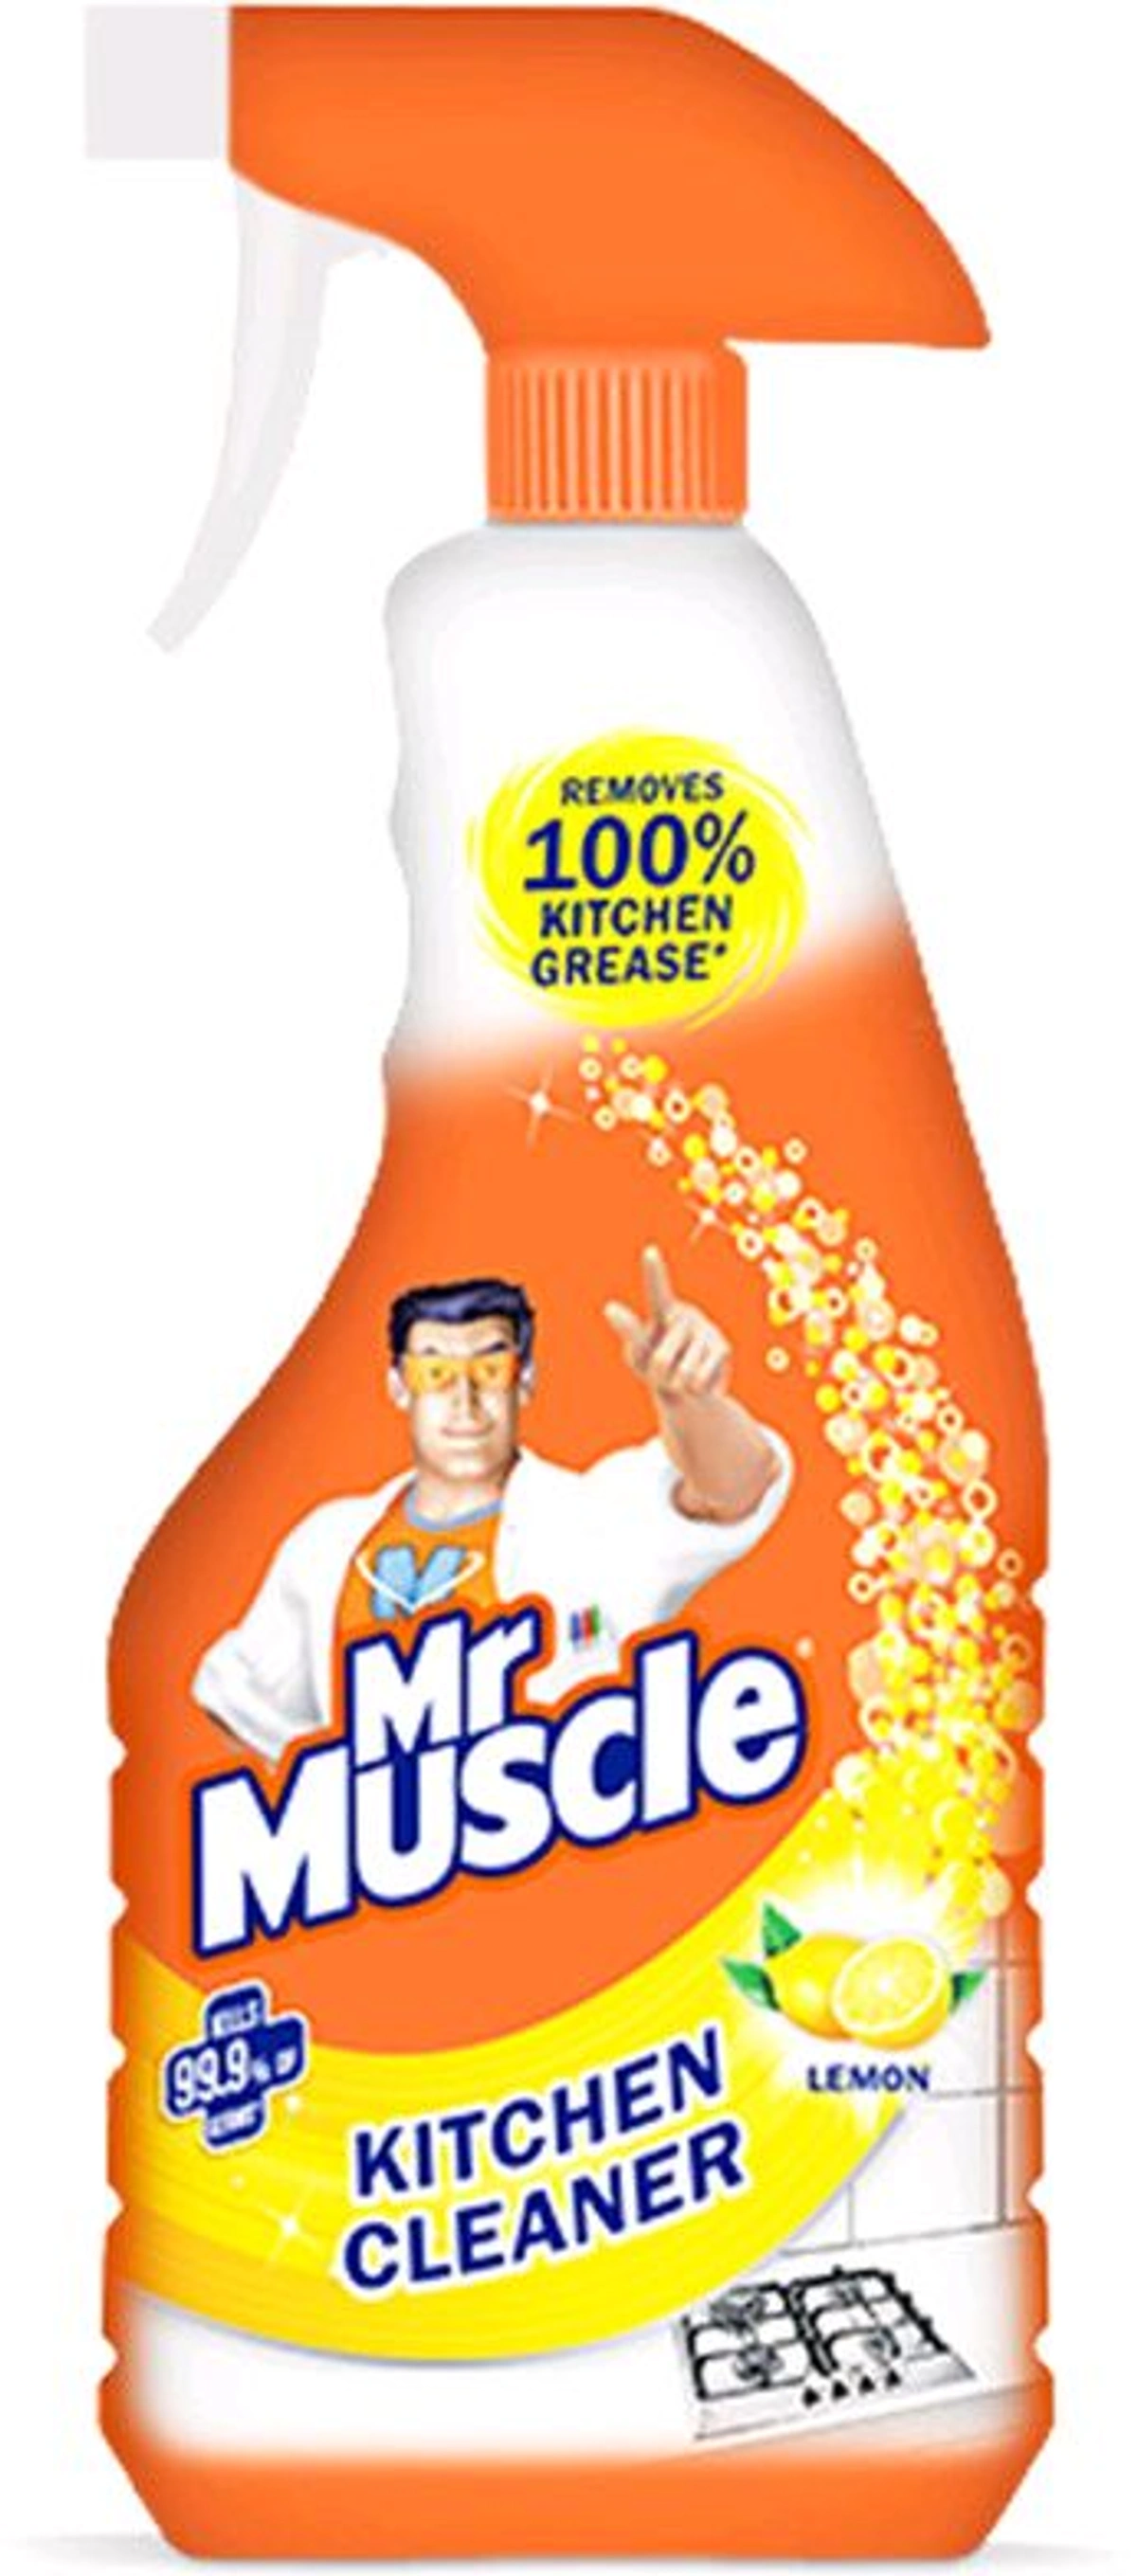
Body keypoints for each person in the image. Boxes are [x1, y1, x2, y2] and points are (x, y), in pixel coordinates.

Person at [192, 1247, 792, 1761]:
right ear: (398, 1386)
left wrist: (693, 1403)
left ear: (524, 1379)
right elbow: (241, 1708)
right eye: (435, 1372)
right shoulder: (326, 1545)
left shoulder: (591, 1518)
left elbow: (735, 1490)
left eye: (490, 1368)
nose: (465, 1399)